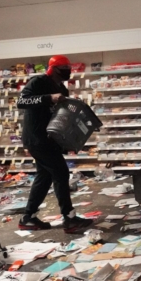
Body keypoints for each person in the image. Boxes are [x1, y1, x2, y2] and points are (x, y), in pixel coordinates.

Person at [17, 55, 93, 234]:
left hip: (50, 139)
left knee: (44, 176)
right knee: (60, 172)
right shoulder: (38, 82)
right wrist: (48, 98)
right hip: (37, 138)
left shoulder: (62, 88)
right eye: (63, 68)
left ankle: (28, 218)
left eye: (68, 68)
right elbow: (22, 101)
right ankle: (69, 218)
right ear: (53, 69)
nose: (67, 72)